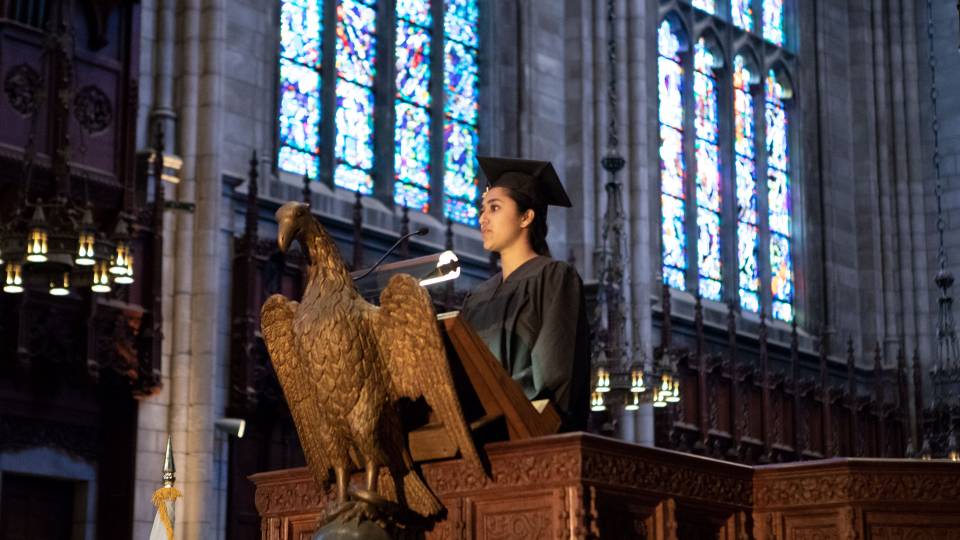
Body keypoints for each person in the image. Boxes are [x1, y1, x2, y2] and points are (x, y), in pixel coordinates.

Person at [460, 157, 590, 431]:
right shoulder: (477, 297)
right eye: (482, 209)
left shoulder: (555, 278)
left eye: (494, 208)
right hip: (476, 433)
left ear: (526, 217)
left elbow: (554, 373)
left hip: (528, 433)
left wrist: (500, 412)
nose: (483, 218)